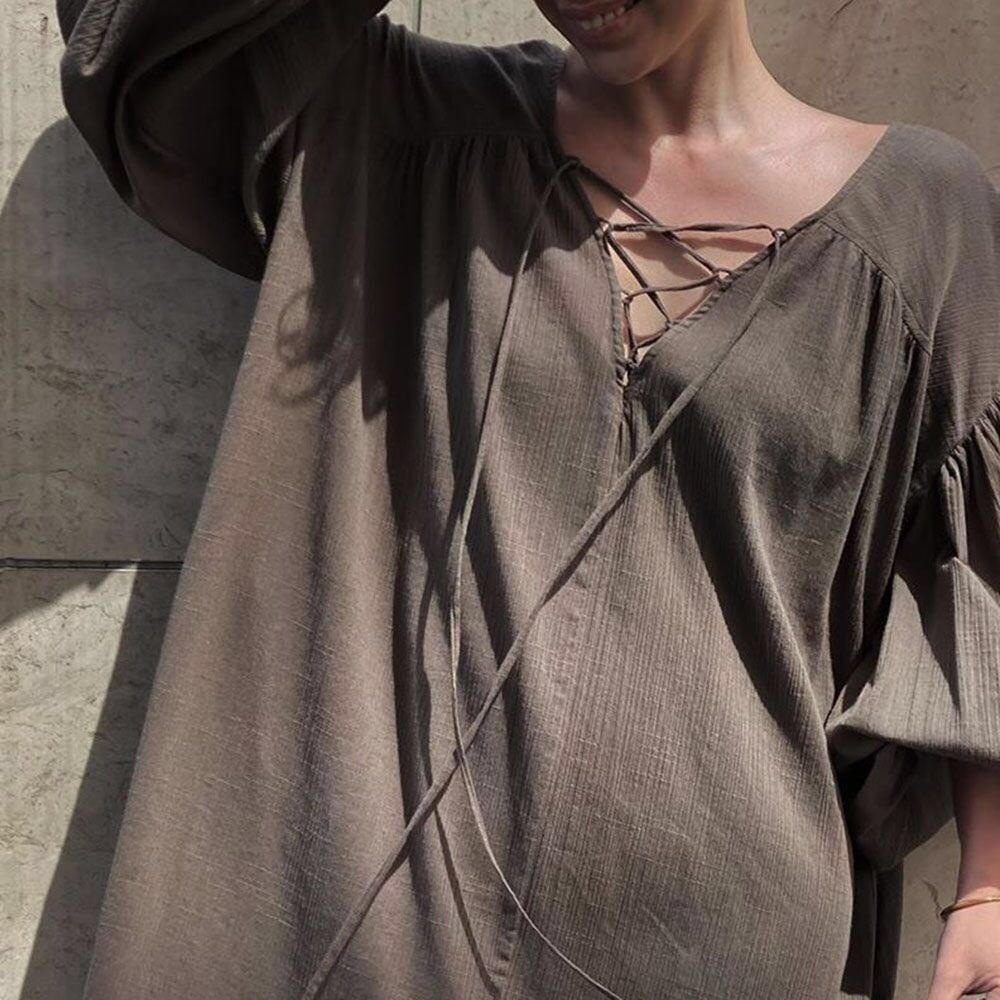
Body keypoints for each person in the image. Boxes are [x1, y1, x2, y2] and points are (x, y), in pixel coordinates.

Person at [56, 0, 1000, 997]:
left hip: (718, 952)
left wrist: (987, 891)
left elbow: (980, 575)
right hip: (360, 932)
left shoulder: (921, 222)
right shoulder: (397, 125)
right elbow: (127, 40)